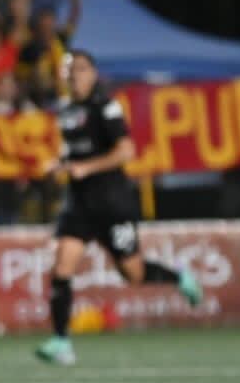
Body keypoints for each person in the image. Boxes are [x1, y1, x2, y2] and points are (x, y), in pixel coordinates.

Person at [35, 51, 202, 365]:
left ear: (93, 74)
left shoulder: (106, 107)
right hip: (80, 204)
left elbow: (126, 151)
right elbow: (75, 153)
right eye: (69, 70)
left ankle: (180, 279)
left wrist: (86, 167)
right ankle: (61, 342)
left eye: (81, 69)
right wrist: (59, 165)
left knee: (132, 273)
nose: (74, 75)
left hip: (113, 204)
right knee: (61, 267)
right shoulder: (66, 111)